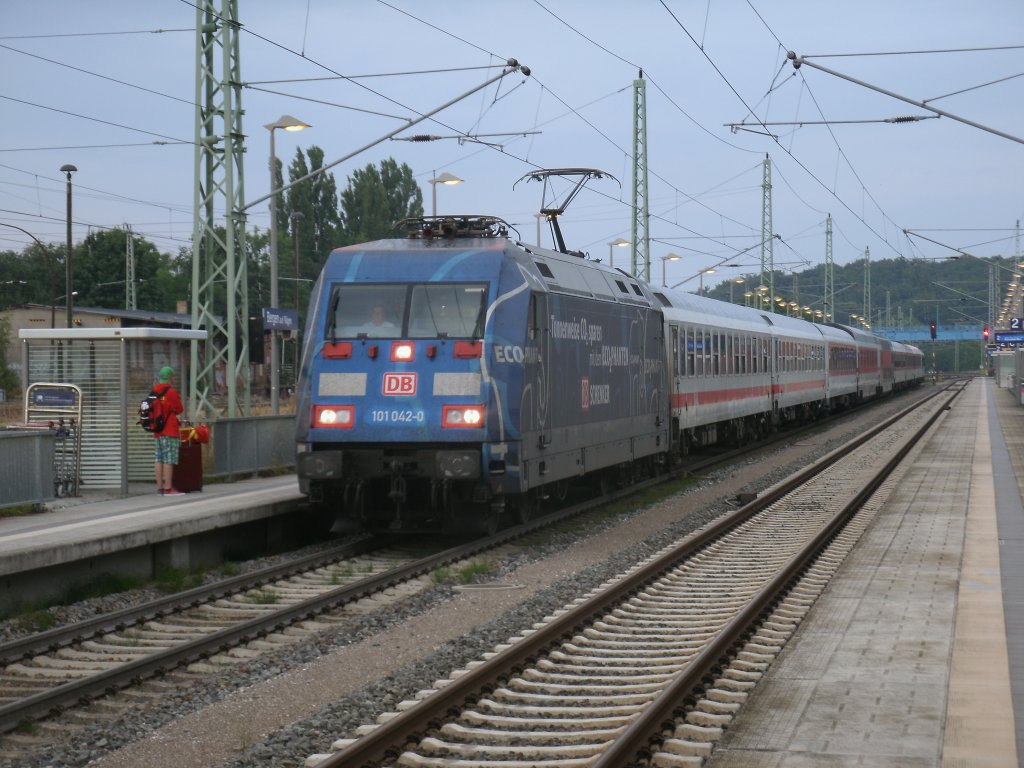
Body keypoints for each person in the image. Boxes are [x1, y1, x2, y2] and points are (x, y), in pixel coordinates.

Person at [151, 365, 185, 496]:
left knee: (158, 458)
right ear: (170, 378)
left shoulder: (154, 391)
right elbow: (180, 409)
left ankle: (160, 488)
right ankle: (168, 489)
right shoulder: (171, 392)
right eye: (173, 377)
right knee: (169, 459)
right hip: (169, 430)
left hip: (157, 431)